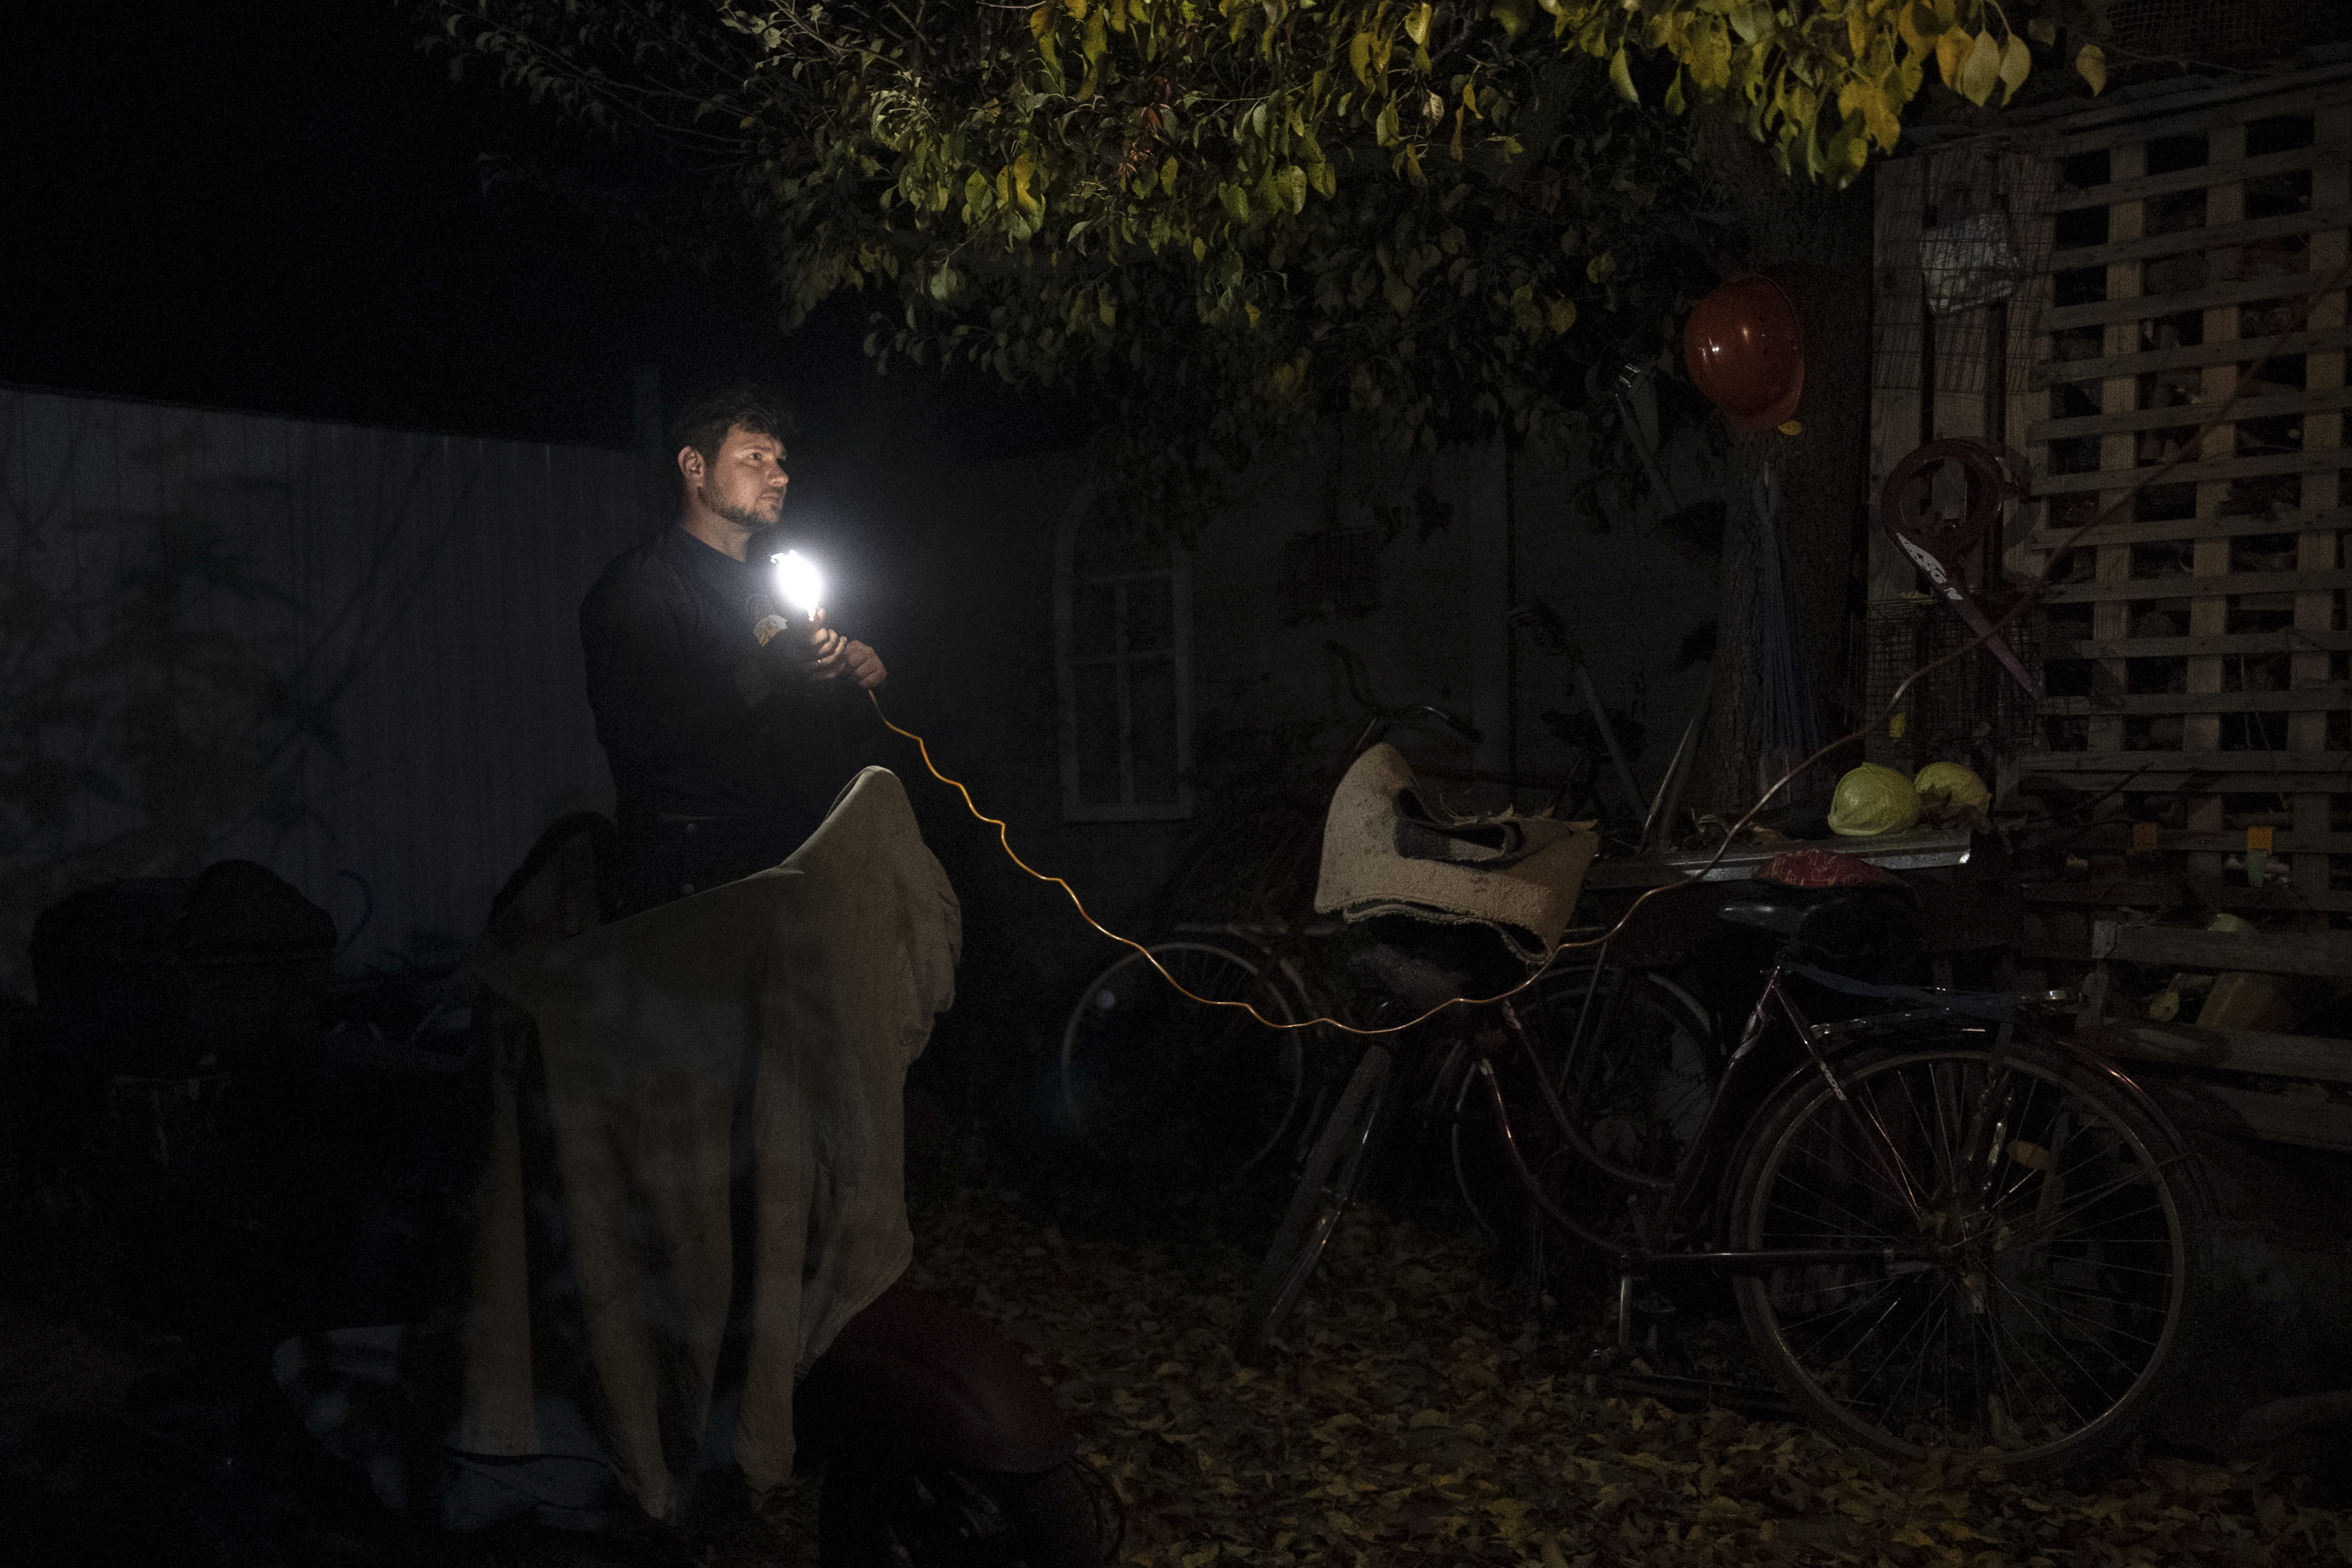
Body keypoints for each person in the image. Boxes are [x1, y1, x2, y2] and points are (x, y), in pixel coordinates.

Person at [581, 384, 889, 912]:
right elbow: (639, 735)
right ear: (694, 467)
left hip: (794, 863)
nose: (780, 475)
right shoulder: (643, 587)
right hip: (700, 882)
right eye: (755, 457)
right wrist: (772, 673)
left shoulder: (777, 583)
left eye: (780, 460)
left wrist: (852, 676)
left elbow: (822, 728)